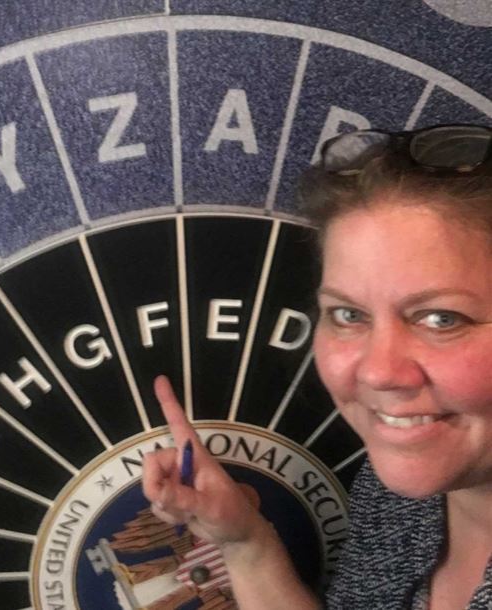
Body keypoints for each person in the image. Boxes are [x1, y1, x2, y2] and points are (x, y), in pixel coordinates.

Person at [142, 124, 492, 609]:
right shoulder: (399, 494)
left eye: (441, 319)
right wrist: (245, 544)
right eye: (349, 315)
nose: (377, 372)